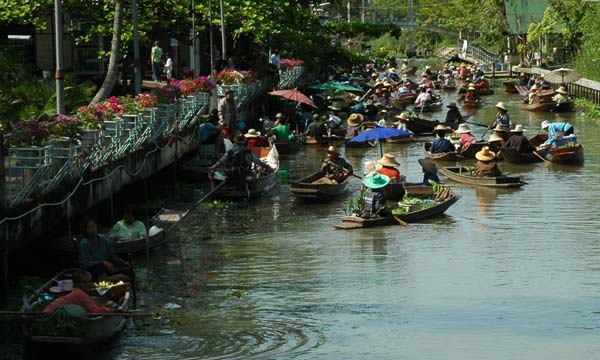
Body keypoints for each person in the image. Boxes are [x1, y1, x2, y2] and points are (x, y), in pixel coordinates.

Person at [44, 270, 127, 314]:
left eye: (89, 282)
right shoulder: (79, 293)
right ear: (77, 284)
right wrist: (114, 311)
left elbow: (92, 305)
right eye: (84, 282)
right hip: (51, 314)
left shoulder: (78, 292)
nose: (88, 285)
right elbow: (96, 311)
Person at [79, 218, 131, 283]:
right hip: (94, 271)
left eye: (94, 226)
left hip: (108, 268)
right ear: (85, 230)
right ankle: (109, 279)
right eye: (90, 227)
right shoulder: (84, 243)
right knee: (100, 267)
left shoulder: (103, 239)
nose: (93, 228)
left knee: (128, 268)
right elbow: (85, 263)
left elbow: (112, 256)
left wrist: (123, 262)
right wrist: (103, 262)